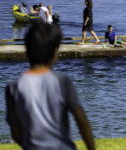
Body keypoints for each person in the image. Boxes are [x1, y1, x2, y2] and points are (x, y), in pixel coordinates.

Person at [4, 22, 97, 150]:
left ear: (27, 49)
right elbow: (81, 121)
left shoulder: (13, 87)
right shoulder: (62, 82)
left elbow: (16, 132)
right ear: (54, 52)